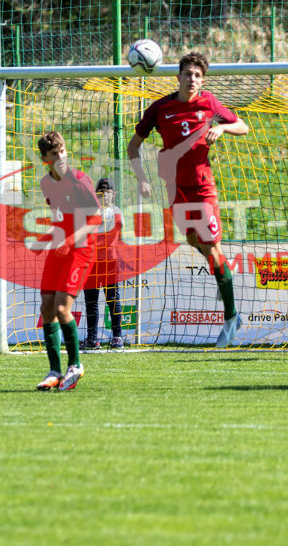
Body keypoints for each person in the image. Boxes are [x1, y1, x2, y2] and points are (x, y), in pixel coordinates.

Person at [127, 51, 249, 348]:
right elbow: (133, 147)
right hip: (174, 189)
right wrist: (142, 178)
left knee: (210, 245)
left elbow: (243, 126)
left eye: (198, 76)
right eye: (188, 74)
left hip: (202, 188)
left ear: (202, 80)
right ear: (178, 76)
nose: (192, 80)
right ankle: (225, 269)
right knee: (194, 242)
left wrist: (221, 126)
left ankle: (231, 318)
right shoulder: (160, 108)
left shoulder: (209, 103)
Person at [35, 131, 99, 391]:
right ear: (45, 159)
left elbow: (95, 220)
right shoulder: (45, 184)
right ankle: (53, 371)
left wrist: (70, 241)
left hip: (81, 248)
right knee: (46, 309)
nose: (61, 157)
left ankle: (76, 365)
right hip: (60, 247)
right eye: (54, 154)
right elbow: (60, 219)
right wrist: (44, 239)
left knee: (62, 309)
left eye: (62, 151)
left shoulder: (81, 181)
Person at [82, 177, 125, 350]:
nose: (104, 195)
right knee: (91, 302)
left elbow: (112, 232)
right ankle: (92, 339)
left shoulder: (116, 212)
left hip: (109, 261)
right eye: (101, 192)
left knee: (112, 300)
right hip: (91, 262)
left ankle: (117, 337)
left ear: (114, 194)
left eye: (107, 192)